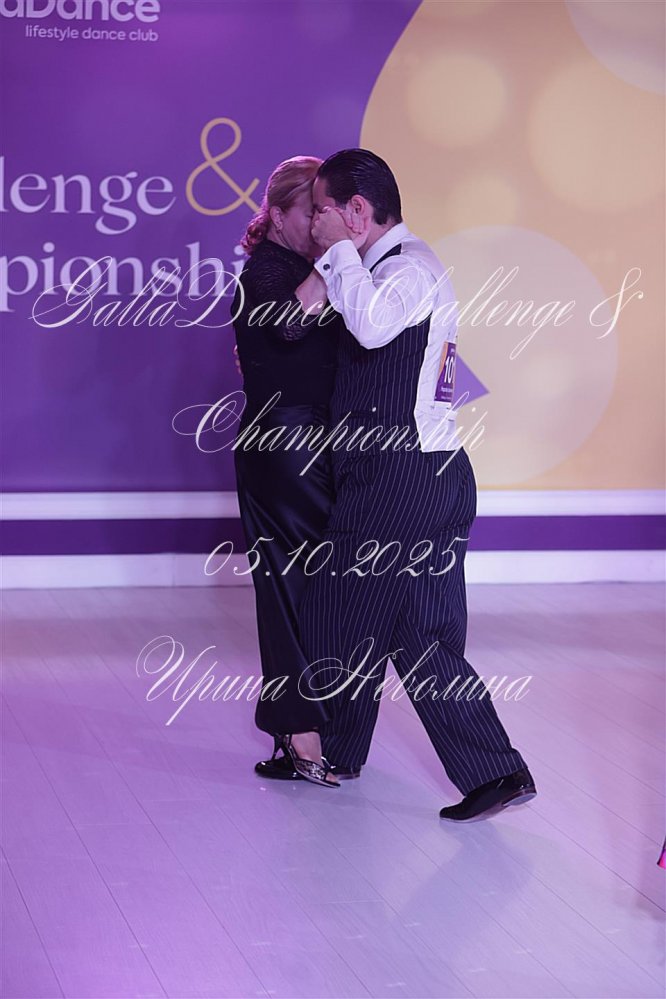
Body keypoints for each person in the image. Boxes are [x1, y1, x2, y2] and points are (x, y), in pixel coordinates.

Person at [296, 148, 537, 819]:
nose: (314, 223)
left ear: (356, 211)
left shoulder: (408, 269)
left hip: (400, 478)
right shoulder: (390, 269)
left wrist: (336, 254)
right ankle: (492, 772)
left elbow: (373, 329)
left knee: (336, 606)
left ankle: (332, 749)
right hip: (426, 474)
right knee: (419, 631)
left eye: (321, 210)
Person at [232, 155, 344, 787]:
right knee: (293, 587)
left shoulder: (303, 267)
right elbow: (290, 327)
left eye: (330, 211)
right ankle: (301, 731)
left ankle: (300, 725)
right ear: (277, 216)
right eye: (313, 212)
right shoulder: (267, 272)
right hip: (284, 447)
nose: (323, 223)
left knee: (309, 586)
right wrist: (335, 260)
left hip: (310, 443)